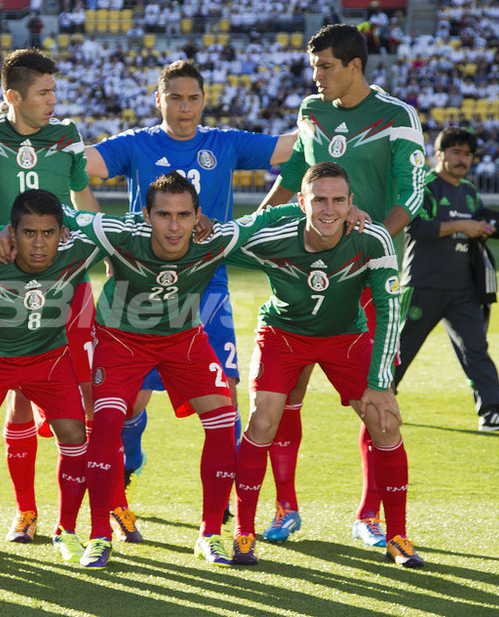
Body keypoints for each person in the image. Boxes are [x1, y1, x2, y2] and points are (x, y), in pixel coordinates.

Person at [84, 60, 297, 527]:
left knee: (225, 394)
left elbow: (292, 147)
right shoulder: (136, 143)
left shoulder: (224, 142)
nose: (185, 107)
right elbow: (82, 165)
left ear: (204, 100)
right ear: (158, 100)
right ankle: (129, 461)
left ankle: (223, 497)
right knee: (132, 403)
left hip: (206, 282)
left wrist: (329, 116)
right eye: (175, 98)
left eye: (193, 98)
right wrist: (112, 244)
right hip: (143, 285)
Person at [69, 171, 296, 569]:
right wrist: (2, 234)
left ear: (197, 216)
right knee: (106, 422)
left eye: (183, 215)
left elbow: (266, 218)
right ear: (146, 216)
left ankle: (210, 534)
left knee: (223, 418)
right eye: (163, 215)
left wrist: (328, 211)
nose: (174, 226)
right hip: (121, 340)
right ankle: (99, 535)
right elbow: (61, 215)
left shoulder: (215, 239)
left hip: (182, 339)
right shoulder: (120, 235)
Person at [257, 23, 425, 546]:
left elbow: (412, 195)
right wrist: (251, 227)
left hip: (372, 277)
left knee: (376, 400)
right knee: (285, 394)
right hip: (307, 271)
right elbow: (294, 178)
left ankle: (369, 516)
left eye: (326, 66)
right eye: (314, 67)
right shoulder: (312, 110)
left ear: (355, 66)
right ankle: (286, 508)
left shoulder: (397, 116)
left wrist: (373, 240)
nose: (317, 76)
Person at [229, 161, 422, 568]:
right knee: (262, 421)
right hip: (283, 333)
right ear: (302, 202)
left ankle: (398, 536)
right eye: (319, 200)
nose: (329, 210)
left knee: (385, 420)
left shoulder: (372, 238)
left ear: (352, 203)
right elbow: (229, 237)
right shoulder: (277, 233)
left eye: (338, 200)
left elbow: (389, 311)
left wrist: (380, 383)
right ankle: (244, 532)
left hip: (345, 337)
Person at [0, 48, 100, 545]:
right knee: (17, 400)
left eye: (54, 91)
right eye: (44, 92)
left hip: (67, 282)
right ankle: (25, 511)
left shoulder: (67, 135)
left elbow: (83, 200)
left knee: (89, 399)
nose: (53, 101)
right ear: (13, 96)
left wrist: (92, 244)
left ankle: (107, 508)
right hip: (3, 280)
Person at [0, 188, 97, 566]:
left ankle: (66, 530)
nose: (39, 243)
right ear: (13, 233)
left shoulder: (77, 251)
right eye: (28, 232)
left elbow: (115, 228)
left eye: (49, 233)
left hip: (48, 357)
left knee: (75, 432)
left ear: (62, 233)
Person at [394, 127, 499, 431]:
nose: (462, 159)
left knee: (476, 348)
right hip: (423, 283)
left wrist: (486, 227)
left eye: (468, 154)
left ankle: (491, 411)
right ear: (438, 154)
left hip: (463, 288)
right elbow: (415, 227)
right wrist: (463, 225)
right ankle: (380, 399)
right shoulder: (425, 186)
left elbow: (480, 219)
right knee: (401, 347)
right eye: (456, 152)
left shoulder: (469, 192)